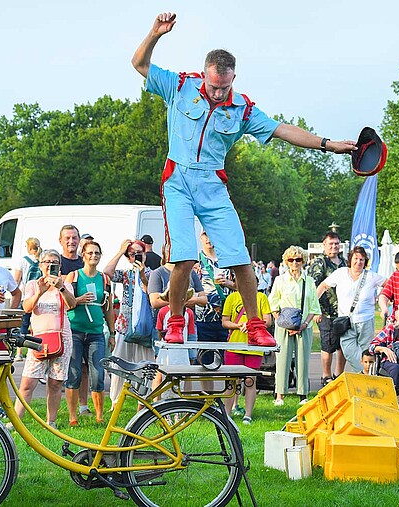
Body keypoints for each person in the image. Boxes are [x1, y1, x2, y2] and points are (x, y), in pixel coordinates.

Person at [132, 12, 356, 347]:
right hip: (177, 179)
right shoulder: (179, 85)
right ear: (204, 75)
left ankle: (255, 326)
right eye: (213, 86)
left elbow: (283, 130)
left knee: (240, 258)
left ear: (233, 78)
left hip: (213, 184)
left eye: (225, 86)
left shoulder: (242, 109)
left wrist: (328, 145)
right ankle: (176, 320)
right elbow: (139, 63)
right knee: (185, 255)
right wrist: (154, 34)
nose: (219, 92)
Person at [12, 250, 76, 428]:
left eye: (54, 262)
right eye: (46, 262)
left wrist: (61, 287)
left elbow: (72, 305)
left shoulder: (65, 284)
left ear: (59, 266)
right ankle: (16, 421)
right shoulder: (33, 284)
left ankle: (51, 422)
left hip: (61, 338)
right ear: (40, 265)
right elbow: (26, 308)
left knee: (55, 383)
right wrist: (39, 292)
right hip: (38, 339)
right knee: (27, 382)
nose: (49, 265)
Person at [64, 240, 115, 425]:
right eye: (90, 253)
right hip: (75, 330)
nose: (94, 256)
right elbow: (66, 302)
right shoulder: (73, 276)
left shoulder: (104, 279)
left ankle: (100, 416)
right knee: (74, 373)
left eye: (97, 253)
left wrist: (112, 332)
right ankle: (72, 417)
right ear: (83, 255)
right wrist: (79, 299)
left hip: (96, 332)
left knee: (97, 374)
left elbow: (108, 307)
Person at [316, 246, 385, 373]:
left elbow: (388, 284)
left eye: (362, 260)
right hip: (346, 322)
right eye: (356, 258)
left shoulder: (371, 276)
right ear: (350, 259)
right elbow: (324, 285)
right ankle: (366, 373)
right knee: (348, 350)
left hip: (366, 321)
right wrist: (314, 305)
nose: (358, 262)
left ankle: (363, 377)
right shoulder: (341, 273)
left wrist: (381, 298)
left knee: (366, 351)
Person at [104, 240, 155, 410]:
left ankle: (143, 402)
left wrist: (141, 276)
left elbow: (151, 293)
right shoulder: (126, 274)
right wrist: (120, 251)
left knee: (145, 365)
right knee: (118, 364)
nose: (137, 256)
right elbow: (107, 273)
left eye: (140, 253)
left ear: (145, 254)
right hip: (124, 326)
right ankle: (115, 401)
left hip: (144, 326)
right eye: (132, 254)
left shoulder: (152, 274)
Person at [268, 246, 321, 406]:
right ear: (286, 261)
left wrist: (305, 324)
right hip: (284, 325)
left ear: (303, 261)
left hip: (304, 325)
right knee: (282, 359)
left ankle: (302, 394)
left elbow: (314, 306)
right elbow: (273, 303)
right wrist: (282, 321)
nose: (295, 263)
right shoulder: (280, 280)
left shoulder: (309, 281)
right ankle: (279, 395)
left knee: (303, 360)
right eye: (291, 260)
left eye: (298, 259)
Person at [221, 276, 272, 423]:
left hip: (254, 346)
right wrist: (238, 325)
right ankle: (227, 415)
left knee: (250, 380)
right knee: (231, 381)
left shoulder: (261, 297)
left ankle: (248, 415)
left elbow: (267, 321)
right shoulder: (231, 298)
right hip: (234, 344)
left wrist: (251, 325)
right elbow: (225, 321)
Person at [307, 231, 348, 385]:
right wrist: (316, 309)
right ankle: (326, 375)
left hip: (343, 311)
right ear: (324, 245)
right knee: (328, 343)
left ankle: (339, 374)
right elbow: (313, 286)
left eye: (336, 243)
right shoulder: (320, 263)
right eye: (330, 243)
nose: (334, 247)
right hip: (325, 311)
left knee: (342, 343)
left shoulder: (344, 263)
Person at [13, 237, 42, 359]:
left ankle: (19, 353)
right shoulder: (41, 260)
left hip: (26, 297)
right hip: (40, 297)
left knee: (23, 326)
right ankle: (37, 352)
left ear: (29, 247)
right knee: (37, 327)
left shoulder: (23, 261)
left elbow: (16, 280)